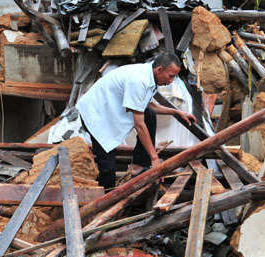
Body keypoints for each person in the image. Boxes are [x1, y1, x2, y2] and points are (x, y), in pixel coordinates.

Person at [76, 52, 197, 189]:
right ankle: (106, 199)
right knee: (108, 167)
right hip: (96, 115)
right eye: (171, 76)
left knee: (149, 115)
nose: (171, 81)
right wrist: (154, 158)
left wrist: (177, 112)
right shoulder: (139, 81)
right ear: (159, 70)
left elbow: (150, 105)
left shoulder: (149, 75)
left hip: (109, 109)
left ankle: (138, 165)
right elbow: (139, 125)